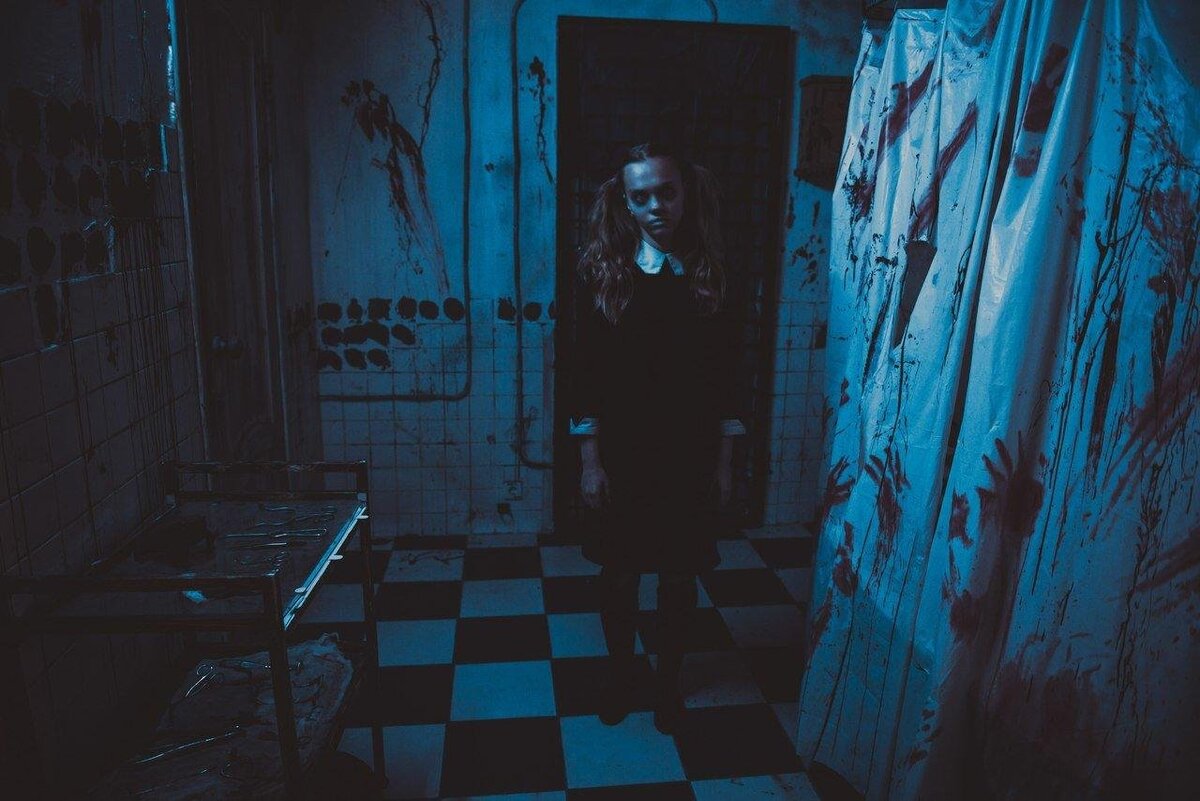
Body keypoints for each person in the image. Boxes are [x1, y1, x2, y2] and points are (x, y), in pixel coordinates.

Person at [567, 142, 745, 735]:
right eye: (640, 197)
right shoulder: (606, 274)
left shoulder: (710, 273)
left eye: (665, 192)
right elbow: (585, 376)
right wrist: (590, 463)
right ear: (625, 202)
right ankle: (622, 675)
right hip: (624, 455)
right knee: (620, 575)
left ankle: (667, 685)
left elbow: (728, 379)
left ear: (686, 192)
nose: (654, 207)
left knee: (677, 576)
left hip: (690, 455)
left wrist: (723, 464)